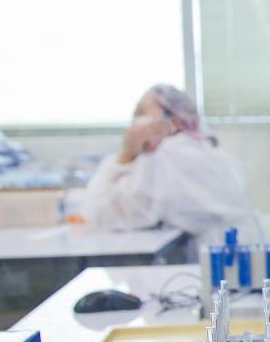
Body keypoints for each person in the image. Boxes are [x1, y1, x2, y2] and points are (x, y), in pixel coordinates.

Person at [82, 84, 258, 247]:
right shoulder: (198, 149)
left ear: (173, 121)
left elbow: (102, 215)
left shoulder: (166, 154)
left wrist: (125, 156)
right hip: (241, 247)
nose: (134, 122)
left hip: (222, 257)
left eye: (142, 112)